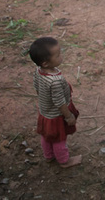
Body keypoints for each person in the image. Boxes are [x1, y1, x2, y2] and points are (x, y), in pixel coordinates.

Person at [29, 36, 82, 168]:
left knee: (46, 135)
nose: (61, 56)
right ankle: (64, 160)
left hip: (44, 112)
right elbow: (59, 103)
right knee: (59, 138)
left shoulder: (38, 71)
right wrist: (68, 116)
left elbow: (36, 87)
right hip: (56, 116)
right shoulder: (55, 81)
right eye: (57, 55)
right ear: (46, 63)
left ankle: (48, 156)